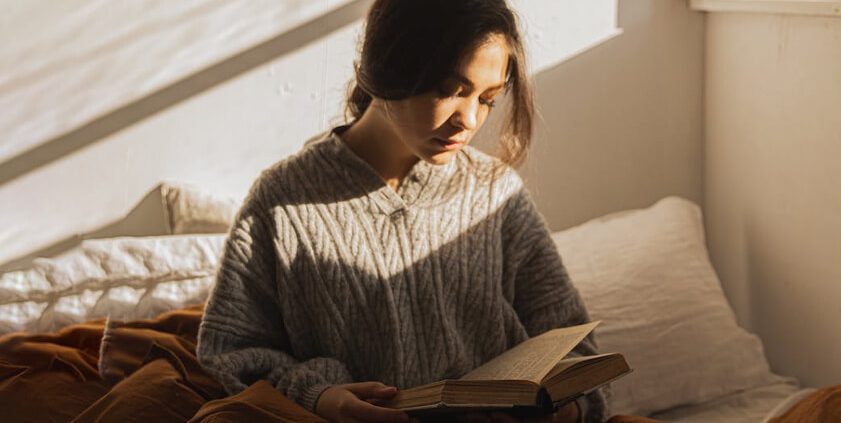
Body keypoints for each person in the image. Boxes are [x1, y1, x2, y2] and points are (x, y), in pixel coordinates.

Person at [196, 1, 607, 422]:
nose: (467, 119)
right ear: (387, 67)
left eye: (488, 99)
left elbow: (575, 349)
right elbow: (232, 350)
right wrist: (318, 396)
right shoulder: (282, 201)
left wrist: (562, 412)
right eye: (450, 89)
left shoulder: (495, 195)